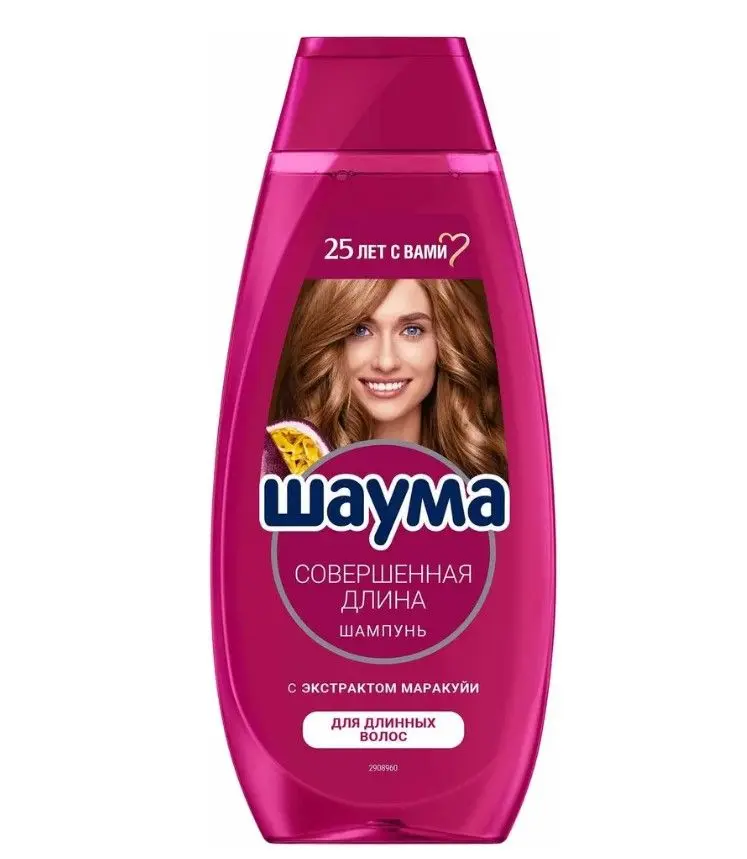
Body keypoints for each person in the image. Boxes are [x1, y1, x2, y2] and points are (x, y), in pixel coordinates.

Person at [268, 278, 507, 479]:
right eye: (360, 330)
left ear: (444, 344)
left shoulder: (488, 477)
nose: (386, 362)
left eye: (412, 330)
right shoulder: (283, 476)